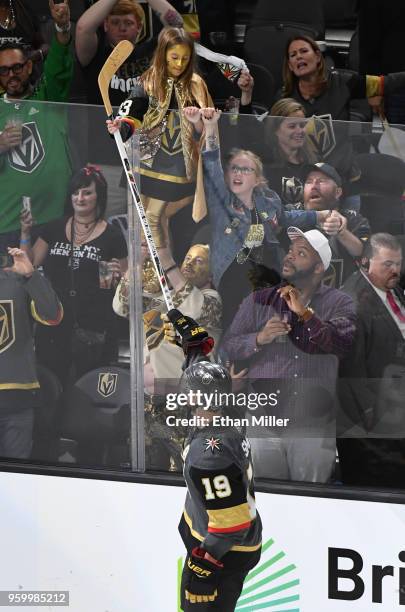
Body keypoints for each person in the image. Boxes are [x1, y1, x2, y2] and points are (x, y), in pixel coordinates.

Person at [221, 228, 356, 483]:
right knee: (266, 501)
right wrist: (259, 339)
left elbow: (339, 343)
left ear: (319, 268)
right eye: (291, 251)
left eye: (301, 253)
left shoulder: (340, 303)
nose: (290, 256)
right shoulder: (259, 300)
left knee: (313, 505)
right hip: (264, 420)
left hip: (311, 425)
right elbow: (229, 344)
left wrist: (305, 314)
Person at [196, 107, 333, 329]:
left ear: (258, 179)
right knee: (239, 324)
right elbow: (211, 164)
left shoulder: (268, 200)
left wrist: (317, 215)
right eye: (234, 169)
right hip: (235, 276)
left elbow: (286, 217)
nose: (238, 174)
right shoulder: (222, 203)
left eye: (245, 170)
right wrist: (211, 127)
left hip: (267, 272)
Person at [107, 26, 212, 262]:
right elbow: (132, 110)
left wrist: (197, 121)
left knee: (154, 217)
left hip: (176, 164)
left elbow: (207, 130)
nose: (179, 64)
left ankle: (164, 268)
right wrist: (121, 127)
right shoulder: (149, 80)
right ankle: (141, 269)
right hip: (145, 158)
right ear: (163, 54)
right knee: (138, 220)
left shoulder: (195, 84)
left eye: (185, 59)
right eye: (174, 57)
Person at [20, 165, 128, 386]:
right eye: (75, 192)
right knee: (51, 386)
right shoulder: (54, 228)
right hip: (53, 324)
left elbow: (124, 288)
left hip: (94, 327)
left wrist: (119, 278)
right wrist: (25, 232)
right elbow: (28, 266)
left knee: (88, 389)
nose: (80, 198)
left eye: (87, 192)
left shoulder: (112, 236)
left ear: (99, 196)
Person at [178, 360, 262, 611]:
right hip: (226, 541)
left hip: (223, 552)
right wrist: (192, 349)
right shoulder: (227, 415)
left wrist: (205, 568)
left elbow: (230, 525)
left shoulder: (210, 455)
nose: (184, 398)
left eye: (189, 393)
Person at [0, 0, 73, 251]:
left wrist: (62, 28)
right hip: (7, 224)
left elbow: (57, 68)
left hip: (53, 221)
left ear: (29, 66)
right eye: (4, 71)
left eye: (17, 67)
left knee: (50, 290)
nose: (11, 75)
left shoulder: (47, 98)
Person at [338, 234, 405, 488]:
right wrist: (371, 418)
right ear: (366, 262)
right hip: (375, 422)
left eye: (398, 263)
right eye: (387, 264)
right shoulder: (352, 303)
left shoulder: (392, 289)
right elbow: (350, 369)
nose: (395, 270)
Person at [0, 247, 63, 459]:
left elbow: (53, 316)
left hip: (16, 399)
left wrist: (31, 275)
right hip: (17, 400)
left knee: (15, 479)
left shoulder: (18, 279)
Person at [76, 0, 183, 107]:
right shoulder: (95, 54)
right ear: (106, 26)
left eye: (128, 23)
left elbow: (176, 25)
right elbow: (83, 28)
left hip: (147, 122)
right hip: (104, 122)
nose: (122, 28)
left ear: (139, 27)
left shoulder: (152, 51)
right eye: (115, 22)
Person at [280, 35, 405, 121]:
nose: (298, 57)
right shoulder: (283, 96)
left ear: (318, 57)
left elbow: (385, 83)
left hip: (341, 159)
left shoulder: (345, 82)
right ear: (290, 65)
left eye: (303, 51)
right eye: (293, 55)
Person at [300, 162, 370, 285]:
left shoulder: (354, 218)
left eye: (321, 181)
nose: (314, 186)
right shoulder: (292, 215)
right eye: (309, 181)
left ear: (338, 192)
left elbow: (361, 250)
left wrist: (341, 232)